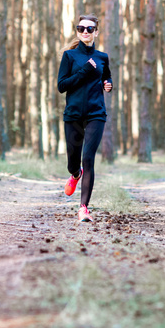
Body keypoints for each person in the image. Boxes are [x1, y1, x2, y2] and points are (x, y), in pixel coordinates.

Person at [57, 14, 113, 223]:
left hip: (96, 114)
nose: (85, 32)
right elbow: (62, 86)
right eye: (81, 29)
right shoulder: (69, 57)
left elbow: (106, 76)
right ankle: (75, 174)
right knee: (74, 161)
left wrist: (108, 84)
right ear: (77, 32)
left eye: (90, 29)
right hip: (73, 115)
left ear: (96, 32)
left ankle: (83, 209)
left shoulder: (102, 57)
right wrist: (84, 70)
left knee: (88, 158)